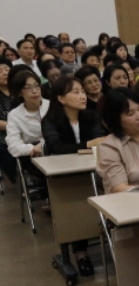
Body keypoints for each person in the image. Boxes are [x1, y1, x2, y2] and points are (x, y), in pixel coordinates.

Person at [41, 75, 106, 274]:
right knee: (77, 206)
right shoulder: (50, 121)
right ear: (61, 98)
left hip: (94, 169)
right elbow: (57, 148)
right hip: (65, 175)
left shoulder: (91, 116)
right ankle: (80, 252)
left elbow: (100, 141)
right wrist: (86, 145)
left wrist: (88, 145)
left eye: (83, 92)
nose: (83, 96)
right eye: (76, 92)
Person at [6, 68, 51, 163]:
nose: (34, 91)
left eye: (36, 86)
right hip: (33, 158)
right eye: (28, 87)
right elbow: (13, 146)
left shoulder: (52, 106)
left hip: (56, 153)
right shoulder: (14, 115)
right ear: (19, 92)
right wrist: (33, 148)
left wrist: (43, 145)